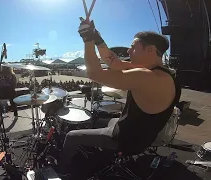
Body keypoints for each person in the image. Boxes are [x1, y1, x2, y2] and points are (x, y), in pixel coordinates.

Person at [57, 19, 182, 174]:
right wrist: (98, 40)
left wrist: (87, 40)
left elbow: (94, 74)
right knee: (98, 119)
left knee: (71, 136)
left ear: (150, 50)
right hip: (144, 135)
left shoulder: (147, 76)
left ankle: (62, 170)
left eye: (133, 47)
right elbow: (115, 63)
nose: (128, 52)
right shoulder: (164, 73)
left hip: (127, 139)